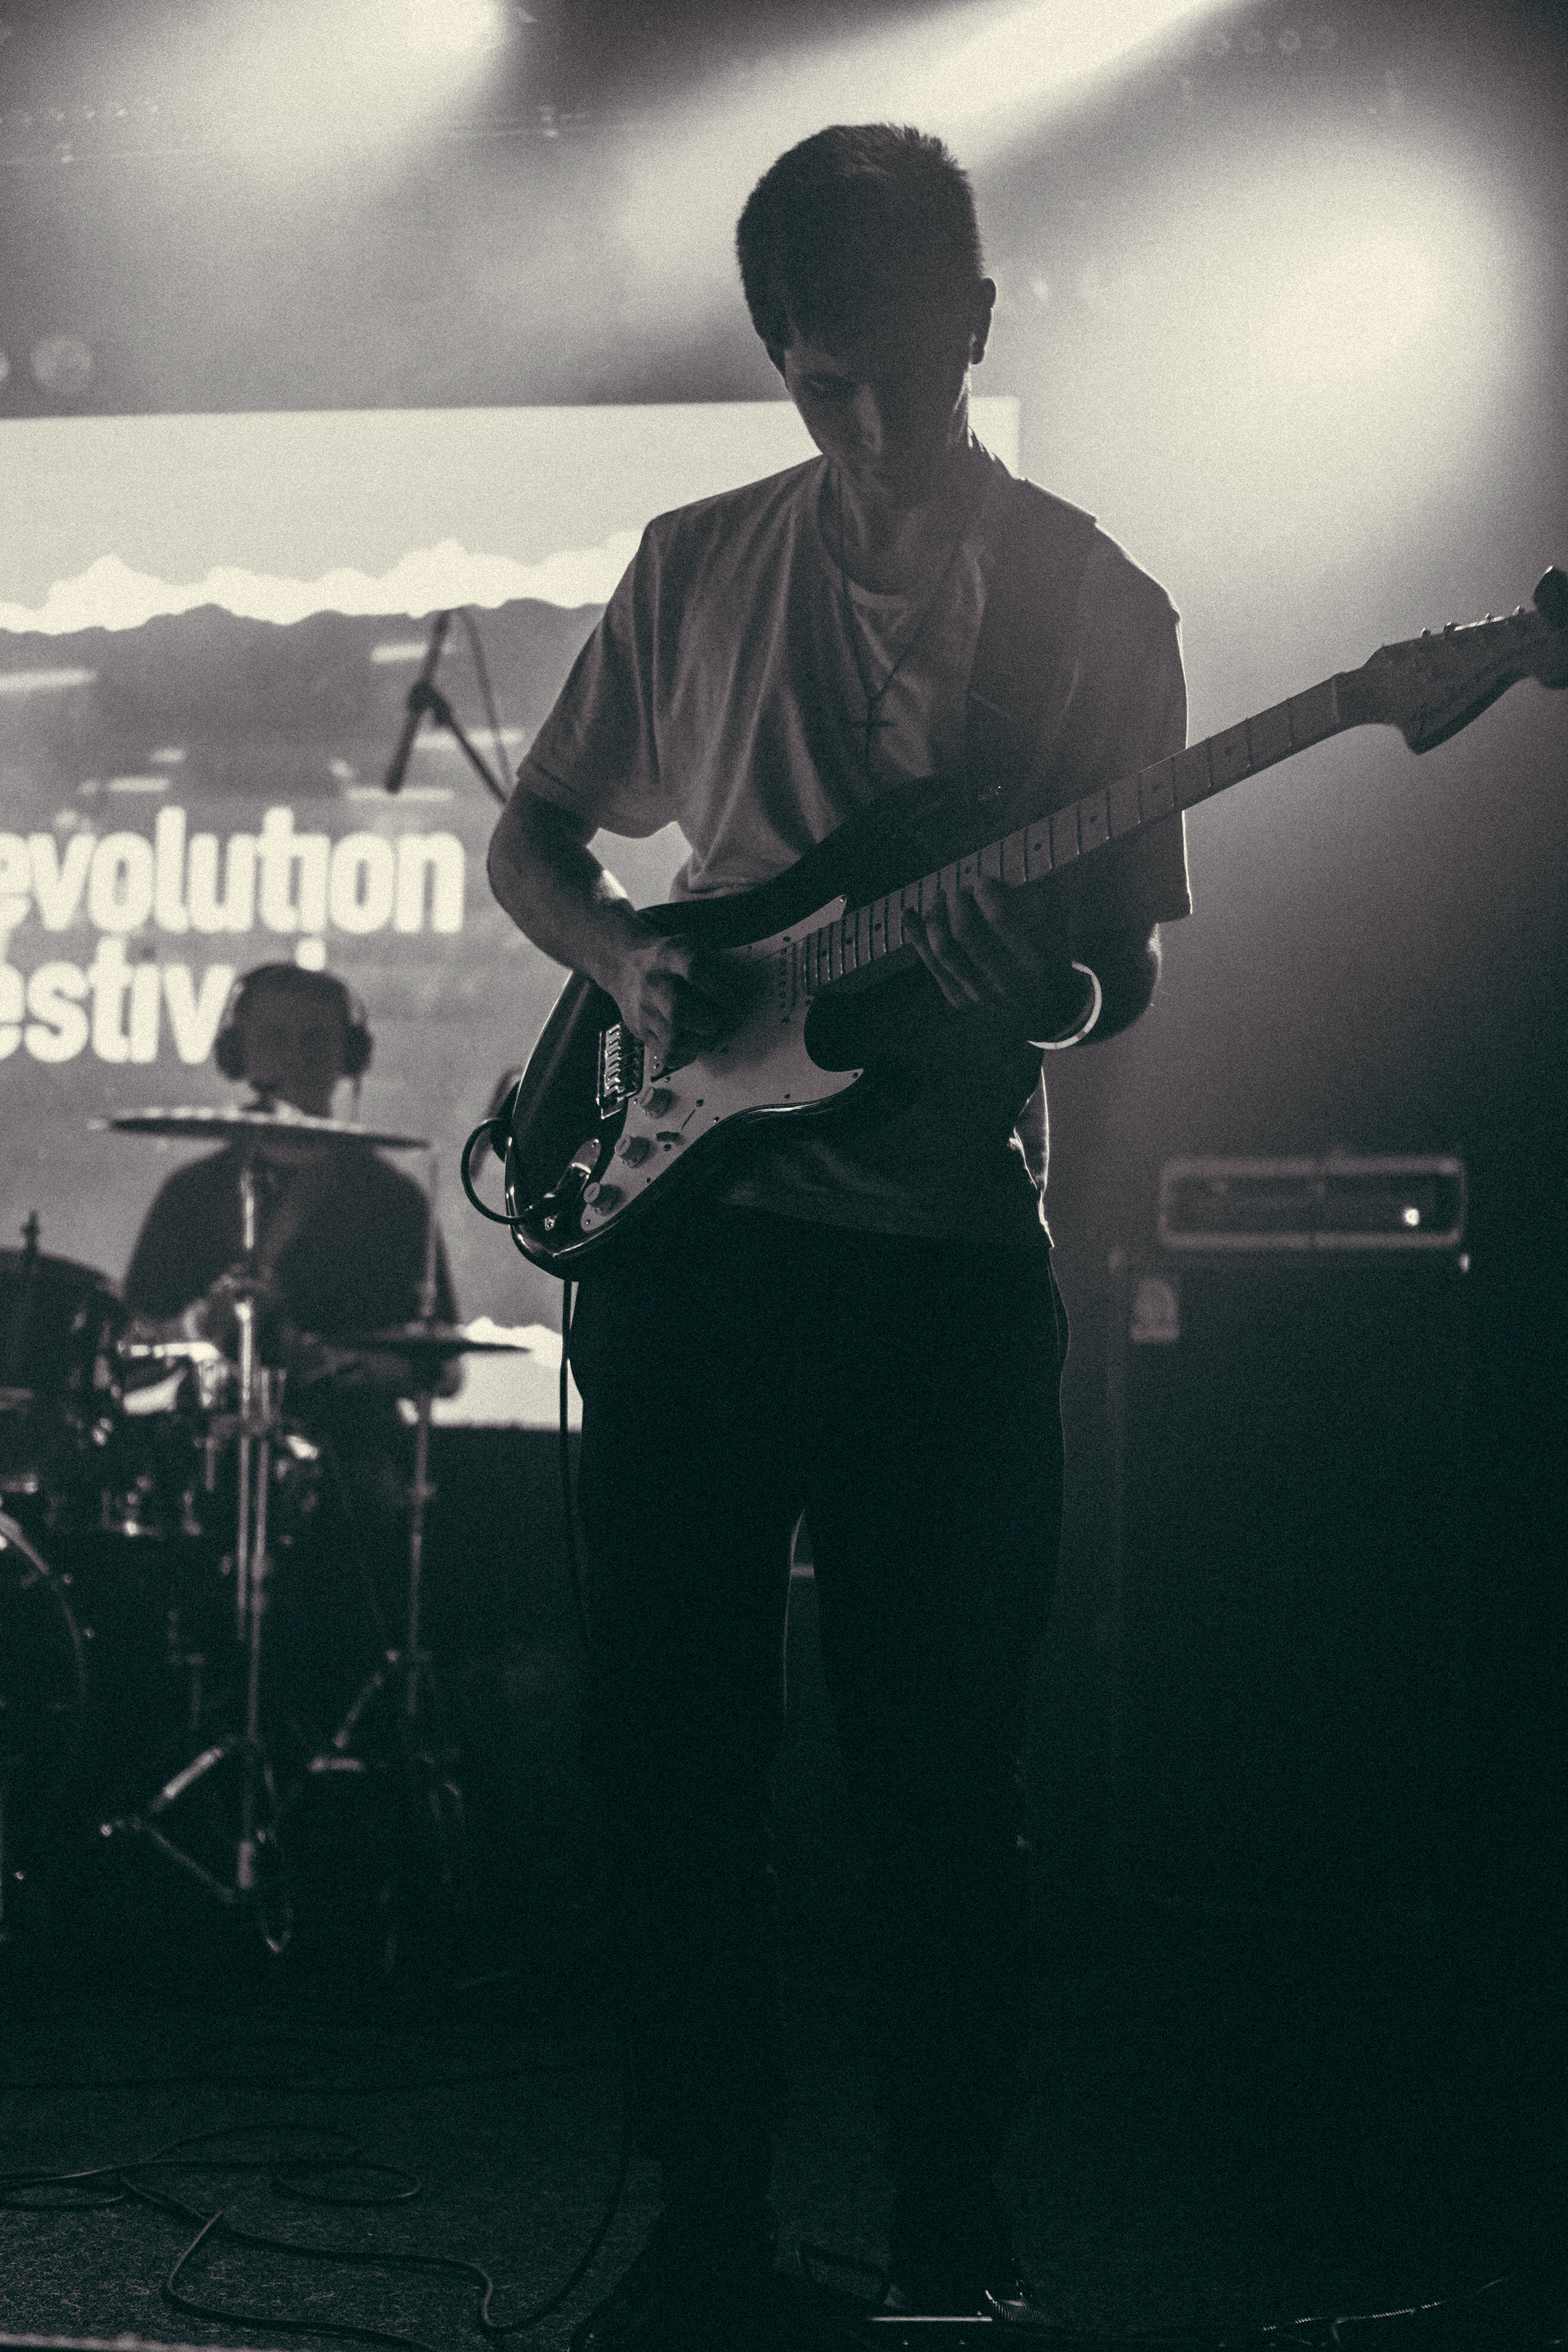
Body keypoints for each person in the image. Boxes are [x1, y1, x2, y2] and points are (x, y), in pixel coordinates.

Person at [487, 125, 1189, 2350]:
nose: (865, 424)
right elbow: (535, 843)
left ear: (974, 324)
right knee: (671, 1762)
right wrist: (628, 969)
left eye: (895, 369)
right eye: (818, 383)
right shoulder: (695, 559)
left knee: (935, 1776)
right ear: (776, 361)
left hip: (943, 1273)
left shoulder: (1095, 608)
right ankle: (705, 2213)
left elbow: (1120, 973)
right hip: (695, 1253)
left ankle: (949, 2230)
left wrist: (1037, 986)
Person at [123, 960, 457, 1721]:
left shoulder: (393, 1201)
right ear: (237, 1052)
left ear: (352, 1057)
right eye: (274, 1037)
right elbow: (126, 1353)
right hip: (198, 1483)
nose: (297, 1056)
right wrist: (194, 1331)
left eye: (317, 1040)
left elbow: (438, 1368)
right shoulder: (190, 1195)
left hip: (343, 1482)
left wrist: (322, 1361)